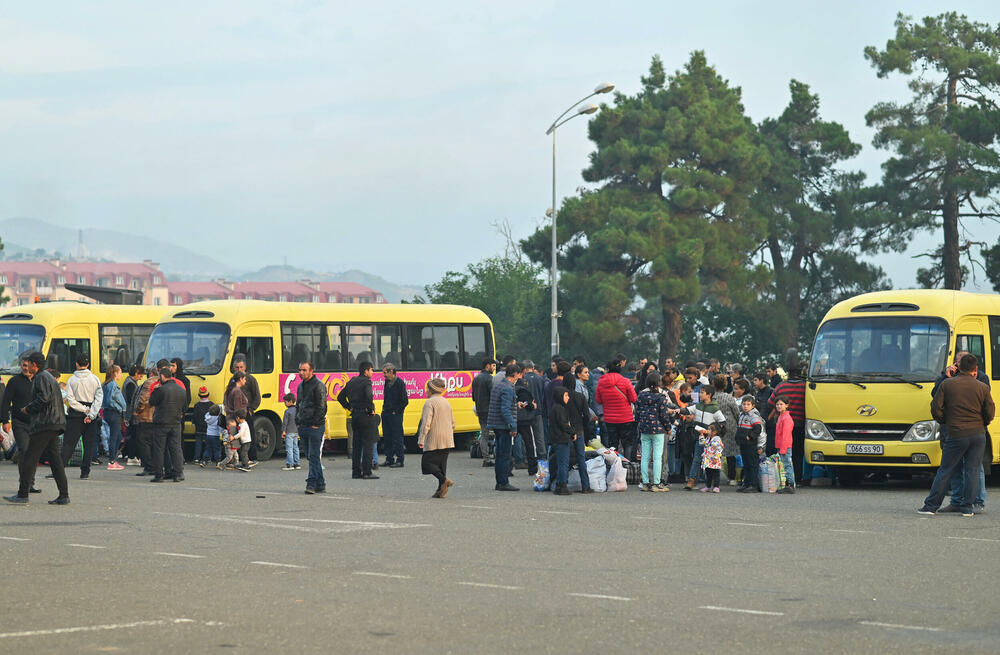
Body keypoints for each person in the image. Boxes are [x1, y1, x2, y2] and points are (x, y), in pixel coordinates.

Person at [920, 354, 994, 516]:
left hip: (956, 432)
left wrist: (945, 420)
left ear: (958, 367)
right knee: (973, 470)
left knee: (946, 469)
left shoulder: (947, 384)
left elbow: (935, 407)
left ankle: (931, 506)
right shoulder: (982, 387)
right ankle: (967, 507)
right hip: (978, 434)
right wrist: (983, 423)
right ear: (975, 369)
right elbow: (990, 411)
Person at [5, 351, 69, 505]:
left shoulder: (41, 377)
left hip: (45, 424)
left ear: (35, 365)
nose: (28, 368)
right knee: (55, 460)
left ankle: (22, 494)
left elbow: (44, 399)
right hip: (54, 423)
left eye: (30, 364)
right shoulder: (48, 377)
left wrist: (28, 409)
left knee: (28, 457)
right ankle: (64, 495)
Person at [59, 354, 103, 480]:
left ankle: (59, 469)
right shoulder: (95, 379)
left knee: (69, 443)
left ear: (76, 364)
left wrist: (84, 410)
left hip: (75, 414)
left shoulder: (72, 380)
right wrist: (91, 413)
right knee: (89, 444)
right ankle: (85, 472)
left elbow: (71, 401)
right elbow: (99, 398)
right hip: (91, 414)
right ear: (88, 365)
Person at [674, 385, 725, 490]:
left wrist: (716, 435)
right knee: (697, 459)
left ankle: (714, 483)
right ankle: (692, 480)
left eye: (702, 392)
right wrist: (677, 410)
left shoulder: (715, 408)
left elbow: (723, 422)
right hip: (699, 438)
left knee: (710, 460)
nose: (700, 394)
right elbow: (687, 410)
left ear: (709, 395)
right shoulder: (698, 406)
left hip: (710, 441)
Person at [1, 356, 40, 494]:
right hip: (19, 423)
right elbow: (5, 402)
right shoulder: (14, 381)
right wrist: (5, 421)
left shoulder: (38, 381)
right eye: (23, 365)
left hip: (36, 423)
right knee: (24, 450)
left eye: (27, 365)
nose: (25, 368)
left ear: (32, 366)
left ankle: (30, 483)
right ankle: (24, 483)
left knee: (33, 453)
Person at [338, 362, 379, 480]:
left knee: (356, 445)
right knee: (368, 444)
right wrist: (371, 409)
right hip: (365, 415)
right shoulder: (366, 382)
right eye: (371, 370)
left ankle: (356, 471)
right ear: (365, 371)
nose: (372, 372)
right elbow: (369, 395)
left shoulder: (352, 381)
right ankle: (367, 471)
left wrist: (349, 407)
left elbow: (340, 396)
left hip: (354, 415)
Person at [768, 365, 807, 483]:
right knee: (798, 453)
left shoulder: (781, 386)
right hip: (800, 423)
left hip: (783, 423)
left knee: (784, 453)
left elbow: (771, 401)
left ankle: (786, 479)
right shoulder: (805, 386)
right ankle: (798, 478)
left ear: (788, 374)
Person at [417, 378, 455, 498]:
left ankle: (444, 480)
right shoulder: (446, 402)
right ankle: (440, 490)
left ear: (431, 390)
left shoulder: (430, 403)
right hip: (447, 437)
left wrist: (421, 439)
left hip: (435, 437)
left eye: (427, 388)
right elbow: (453, 422)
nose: (426, 390)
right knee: (441, 465)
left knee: (427, 463)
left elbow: (426, 423)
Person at [148, 365, 187, 482]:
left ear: (163, 376)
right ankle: (178, 473)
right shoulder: (181, 390)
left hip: (161, 423)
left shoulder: (160, 389)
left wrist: (156, 390)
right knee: (176, 448)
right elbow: (184, 407)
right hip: (176, 422)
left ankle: (159, 475)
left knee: (160, 449)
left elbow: (152, 402)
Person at [636, 372, 672, 492]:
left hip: (644, 429)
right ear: (658, 383)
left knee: (645, 457)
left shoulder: (641, 395)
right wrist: (668, 428)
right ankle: (656, 483)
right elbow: (664, 415)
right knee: (657, 457)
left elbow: (637, 411)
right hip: (658, 430)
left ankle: (645, 482)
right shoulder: (661, 398)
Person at [296, 362, 327, 494]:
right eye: (300, 370)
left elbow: (322, 407)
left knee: (314, 455)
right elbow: (299, 404)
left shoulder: (319, 385)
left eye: (304, 370)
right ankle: (321, 483)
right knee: (310, 456)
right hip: (303, 424)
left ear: (311, 371)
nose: (301, 372)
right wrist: (297, 420)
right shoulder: (300, 386)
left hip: (315, 426)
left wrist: (316, 423)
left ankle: (311, 483)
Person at [595, 360, 637, 459]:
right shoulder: (625, 381)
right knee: (627, 444)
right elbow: (634, 399)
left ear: (608, 369)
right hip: (626, 418)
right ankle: (627, 466)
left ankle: (614, 467)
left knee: (613, 445)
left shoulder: (601, 382)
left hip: (610, 419)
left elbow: (598, 400)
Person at [487, 363, 519, 491]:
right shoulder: (508, 388)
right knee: (504, 455)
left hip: (496, 423)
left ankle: (499, 482)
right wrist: (513, 426)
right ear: (515, 374)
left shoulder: (498, 385)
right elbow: (505, 409)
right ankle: (503, 482)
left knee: (500, 454)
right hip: (503, 425)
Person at [561, 371, 593, 494]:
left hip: (565, 430)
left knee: (564, 458)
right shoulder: (580, 397)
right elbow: (587, 415)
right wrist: (583, 425)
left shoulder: (562, 396)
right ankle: (586, 486)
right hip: (579, 429)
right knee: (581, 458)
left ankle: (563, 484)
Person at [226, 357, 261, 461]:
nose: (239, 369)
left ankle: (251, 457)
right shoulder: (232, 380)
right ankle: (236, 459)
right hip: (234, 413)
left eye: (241, 367)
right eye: (237, 367)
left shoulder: (250, 379)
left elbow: (257, 397)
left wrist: (251, 409)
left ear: (245, 367)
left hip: (246, 412)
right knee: (235, 435)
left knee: (248, 436)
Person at [712, 375, 740, 485]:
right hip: (730, 426)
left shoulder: (712, 397)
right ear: (725, 384)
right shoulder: (729, 397)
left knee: (715, 452)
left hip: (715, 426)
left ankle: (715, 477)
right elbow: (736, 413)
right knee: (730, 453)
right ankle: (732, 478)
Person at [548, 388, 576, 496]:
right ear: (560, 396)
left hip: (556, 438)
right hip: (562, 439)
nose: (568, 398)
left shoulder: (555, 408)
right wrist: (573, 432)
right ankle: (562, 485)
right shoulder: (560, 409)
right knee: (563, 463)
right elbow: (564, 424)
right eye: (566, 395)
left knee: (560, 463)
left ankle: (559, 485)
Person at [132, 366, 158, 476]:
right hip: (158, 417)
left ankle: (148, 467)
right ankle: (156, 465)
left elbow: (143, 399)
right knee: (155, 443)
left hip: (146, 417)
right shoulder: (163, 382)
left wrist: (137, 411)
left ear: (151, 374)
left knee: (144, 442)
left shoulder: (149, 382)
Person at [381, 363, 408, 468]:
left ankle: (400, 459)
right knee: (387, 437)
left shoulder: (399, 383)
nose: (384, 375)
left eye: (385, 372)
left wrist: (396, 411)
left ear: (391, 372)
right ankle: (389, 458)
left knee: (397, 437)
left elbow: (404, 401)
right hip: (386, 412)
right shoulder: (387, 382)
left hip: (395, 414)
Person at [736, 396, 765, 493]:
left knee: (752, 464)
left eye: (748, 404)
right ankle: (746, 483)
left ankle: (754, 485)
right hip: (743, 444)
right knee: (746, 465)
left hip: (751, 444)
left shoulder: (753, 416)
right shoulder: (742, 415)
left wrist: (750, 436)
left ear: (753, 406)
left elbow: (758, 429)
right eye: (744, 404)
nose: (745, 406)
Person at [522, 361, 548, 465]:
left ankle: (528, 457)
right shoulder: (540, 379)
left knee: (527, 437)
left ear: (524, 368)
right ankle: (542, 458)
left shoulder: (523, 380)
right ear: (533, 367)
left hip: (526, 411)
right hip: (538, 411)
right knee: (539, 437)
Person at [514, 368, 539, 476]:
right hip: (525, 420)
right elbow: (527, 405)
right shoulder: (525, 391)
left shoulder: (513, 389)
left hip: (514, 420)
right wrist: (532, 406)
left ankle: (508, 467)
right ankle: (532, 468)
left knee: (511, 443)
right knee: (530, 444)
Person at [471, 358, 496, 466]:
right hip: (489, 410)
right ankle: (492, 458)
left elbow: (473, 397)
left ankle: (486, 459)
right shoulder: (489, 379)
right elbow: (493, 395)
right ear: (488, 366)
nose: (494, 368)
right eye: (493, 366)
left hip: (480, 409)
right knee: (498, 433)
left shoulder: (476, 378)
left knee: (484, 434)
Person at [102, 365, 127, 470]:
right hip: (114, 413)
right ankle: (112, 461)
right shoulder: (113, 385)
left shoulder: (105, 384)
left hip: (107, 412)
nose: (121, 374)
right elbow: (116, 400)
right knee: (115, 437)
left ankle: (113, 459)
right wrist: (122, 408)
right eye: (120, 372)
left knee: (117, 436)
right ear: (115, 373)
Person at [774, 396, 795, 493]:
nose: (779, 406)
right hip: (781, 445)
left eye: (781, 404)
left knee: (787, 465)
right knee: (784, 465)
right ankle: (787, 484)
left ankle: (790, 485)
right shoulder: (781, 416)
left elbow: (786, 435)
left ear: (787, 405)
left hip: (785, 446)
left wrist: (783, 449)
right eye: (777, 404)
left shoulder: (786, 418)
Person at [191, 386, 214, 467]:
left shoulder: (197, 405)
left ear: (199, 395)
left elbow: (194, 417)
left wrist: (194, 423)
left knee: (198, 443)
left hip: (199, 428)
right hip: (209, 428)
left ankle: (196, 458)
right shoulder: (212, 405)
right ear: (208, 394)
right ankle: (207, 458)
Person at [700, 423, 724, 493]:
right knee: (708, 473)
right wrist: (701, 436)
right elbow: (702, 443)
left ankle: (716, 486)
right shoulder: (708, 438)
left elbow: (719, 448)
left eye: (709, 429)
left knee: (716, 473)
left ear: (714, 432)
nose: (708, 430)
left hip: (714, 459)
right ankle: (708, 486)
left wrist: (716, 457)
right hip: (708, 459)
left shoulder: (717, 439)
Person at [281, 392, 300, 471]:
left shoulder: (287, 411)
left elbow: (285, 422)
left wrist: (283, 431)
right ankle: (297, 463)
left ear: (290, 401)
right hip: (296, 432)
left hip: (289, 432)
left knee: (289, 448)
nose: (285, 404)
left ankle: (290, 464)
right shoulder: (297, 410)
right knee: (296, 448)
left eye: (285, 402)